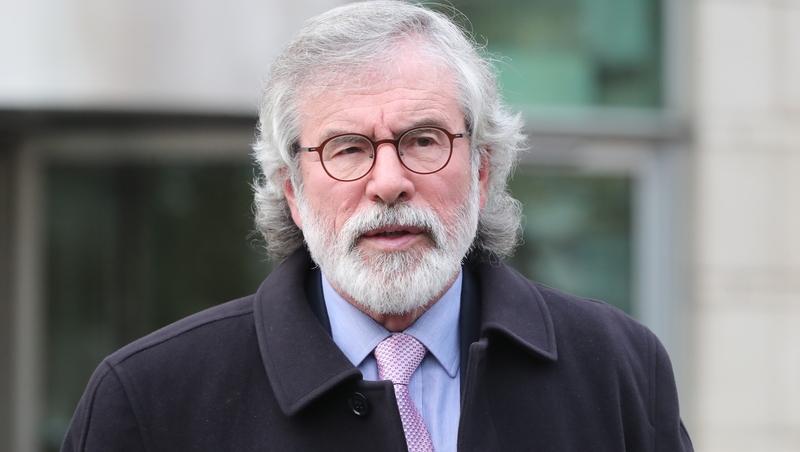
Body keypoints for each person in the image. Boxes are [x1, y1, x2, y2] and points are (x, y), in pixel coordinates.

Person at [62, 1, 693, 451]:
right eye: (347, 149)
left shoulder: (618, 370)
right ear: (294, 192)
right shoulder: (148, 401)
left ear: (480, 170)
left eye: (423, 140)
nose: (388, 181)